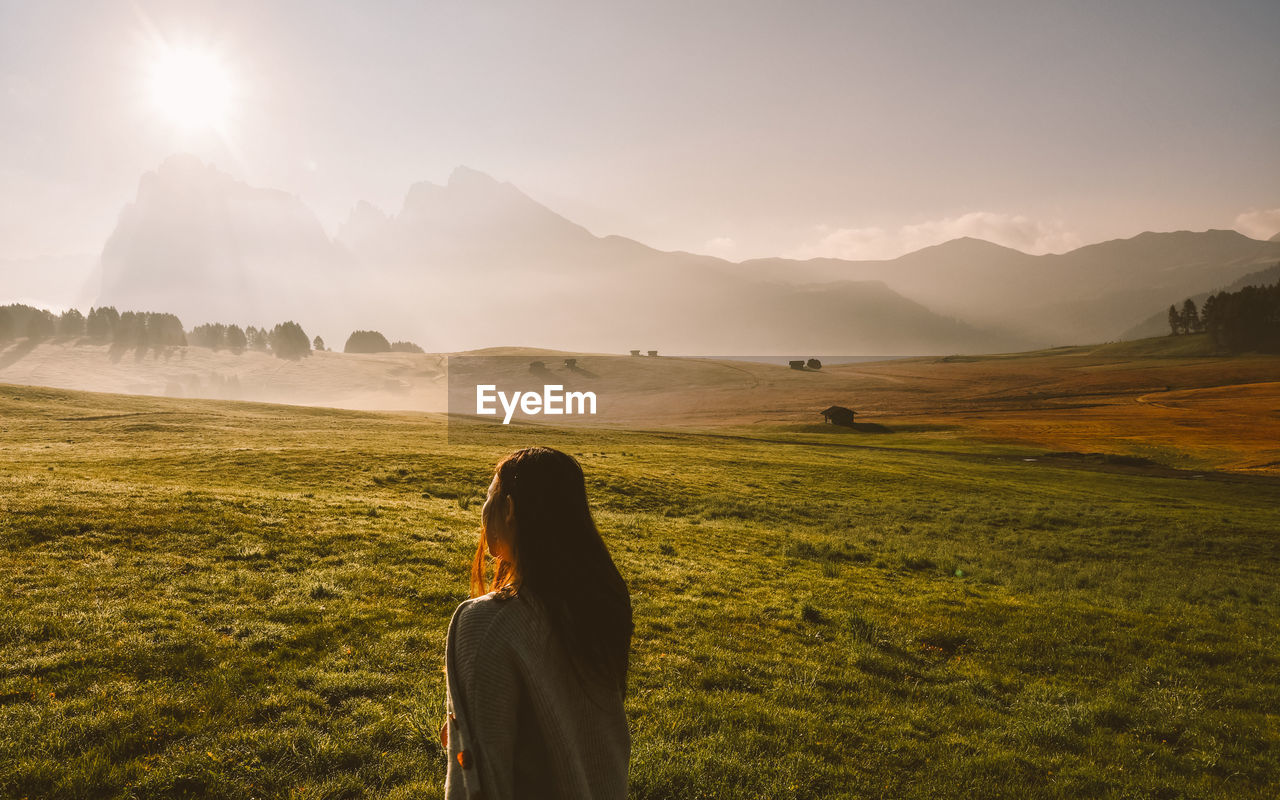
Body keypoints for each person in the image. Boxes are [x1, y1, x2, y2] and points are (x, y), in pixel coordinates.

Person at [442, 446, 633, 799]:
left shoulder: (486, 625)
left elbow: (481, 782)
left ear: (510, 509)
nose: (483, 510)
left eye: (489, 496)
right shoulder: (603, 605)